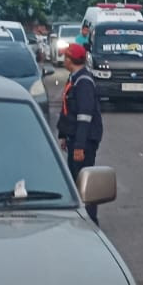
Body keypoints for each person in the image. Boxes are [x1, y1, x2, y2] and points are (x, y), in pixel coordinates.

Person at [55, 43, 104, 223]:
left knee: (84, 180)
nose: (63, 60)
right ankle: (80, 215)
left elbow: (84, 116)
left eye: (65, 57)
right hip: (74, 137)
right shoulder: (74, 78)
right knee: (75, 178)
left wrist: (80, 145)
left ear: (70, 60)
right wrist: (64, 134)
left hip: (84, 140)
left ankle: (90, 218)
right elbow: (69, 111)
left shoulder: (84, 82)